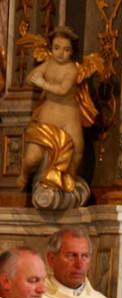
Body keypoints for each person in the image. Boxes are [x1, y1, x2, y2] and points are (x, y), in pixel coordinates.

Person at [17, 26, 97, 209]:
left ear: (72, 52)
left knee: (77, 152)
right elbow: (30, 77)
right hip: (47, 116)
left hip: (69, 118)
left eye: (66, 50)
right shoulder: (49, 63)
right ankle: (24, 175)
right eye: (57, 48)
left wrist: (42, 83)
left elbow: (62, 90)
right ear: (51, 48)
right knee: (31, 158)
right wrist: (36, 78)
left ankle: (67, 185)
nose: (61, 53)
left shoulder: (71, 70)